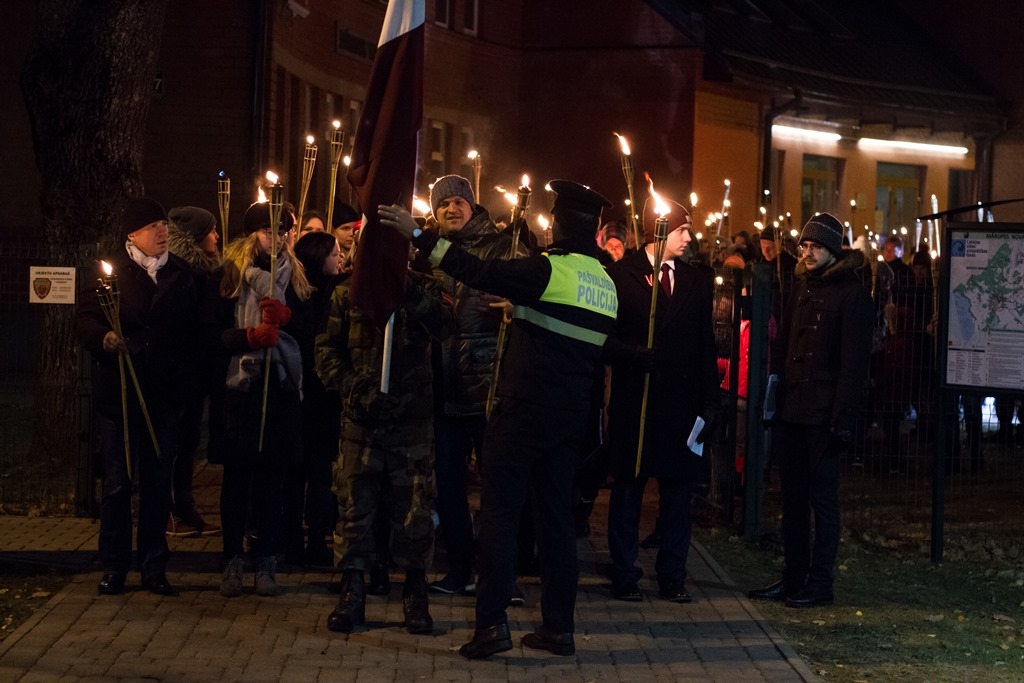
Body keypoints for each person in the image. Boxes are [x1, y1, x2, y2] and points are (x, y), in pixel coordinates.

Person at [378, 178, 618, 659]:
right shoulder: (604, 284)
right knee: (555, 522)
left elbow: (477, 270)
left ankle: (490, 626)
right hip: (568, 419)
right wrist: (522, 309)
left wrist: (420, 236)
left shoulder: (548, 270)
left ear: (561, 227)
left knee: (500, 518)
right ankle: (558, 628)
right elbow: (570, 331)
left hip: (521, 411)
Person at [315, 239, 455, 635]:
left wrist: (408, 291)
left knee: (414, 510)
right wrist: (359, 391)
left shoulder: (422, 289)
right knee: (355, 508)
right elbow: (326, 354)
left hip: (411, 421)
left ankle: (414, 591)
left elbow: (447, 327)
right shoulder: (347, 293)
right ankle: (353, 590)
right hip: (361, 422)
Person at [748, 213, 873, 608]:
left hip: (823, 417)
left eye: (815, 245)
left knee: (823, 501)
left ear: (834, 248)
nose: (808, 251)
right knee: (792, 499)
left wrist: (842, 421)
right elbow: (784, 352)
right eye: (804, 245)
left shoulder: (853, 296)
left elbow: (854, 367)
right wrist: (775, 398)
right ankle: (793, 577)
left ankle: (821, 583)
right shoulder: (802, 286)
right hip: (792, 412)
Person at [76, 197, 199, 596]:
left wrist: (180, 383)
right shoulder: (110, 276)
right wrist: (105, 338)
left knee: (157, 481)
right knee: (117, 483)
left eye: (164, 224)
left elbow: (193, 334)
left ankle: (153, 565)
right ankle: (114, 565)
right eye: (152, 226)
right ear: (133, 234)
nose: (162, 231)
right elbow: (86, 320)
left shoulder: (181, 275)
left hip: (163, 396)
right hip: (121, 395)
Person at [604, 202, 720, 604]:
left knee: (676, 493)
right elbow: (604, 337)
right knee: (628, 488)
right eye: (683, 230)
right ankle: (624, 572)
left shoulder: (696, 281)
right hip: (636, 401)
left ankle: (673, 574)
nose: (690, 238)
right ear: (659, 231)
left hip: (680, 403)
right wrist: (631, 354)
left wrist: (710, 399)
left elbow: (706, 343)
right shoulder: (622, 275)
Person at [204, 201, 313, 598]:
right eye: (270, 231)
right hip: (240, 388)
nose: (278, 238)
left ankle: (266, 558)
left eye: (284, 230)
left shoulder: (296, 276)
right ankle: (233, 558)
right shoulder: (230, 277)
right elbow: (209, 333)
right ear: (253, 235)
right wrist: (246, 338)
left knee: (272, 478)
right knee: (237, 478)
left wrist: (288, 320)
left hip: (280, 385)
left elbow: (310, 328)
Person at [423, 174, 525, 595]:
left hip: (488, 389)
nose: (451, 208)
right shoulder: (425, 253)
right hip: (443, 387)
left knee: (498, 488)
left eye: (458, 201)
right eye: (443, 203)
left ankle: (500, 574)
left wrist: (511, 306)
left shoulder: (503, 246)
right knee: (447, 485)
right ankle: (460, 567)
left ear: (472, 204)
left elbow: (526, 293)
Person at [283, 231, 345, 567]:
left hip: (321, 395)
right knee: (303, 469)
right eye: (335, 253)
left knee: (318, 471)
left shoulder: (338, 290)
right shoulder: (304, 295)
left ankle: (312, 537)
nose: (341, 258)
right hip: (307, 392)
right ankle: (297, 537)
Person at [165, 205, 223, 538]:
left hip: (196, 371)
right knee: (174, 444)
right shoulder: (183, 274)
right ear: (197, 237)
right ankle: (170, 511)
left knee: (188, 443)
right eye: (211, 230)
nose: (217, 236)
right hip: (179, 373)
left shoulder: (205, 271)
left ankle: (186, 508)